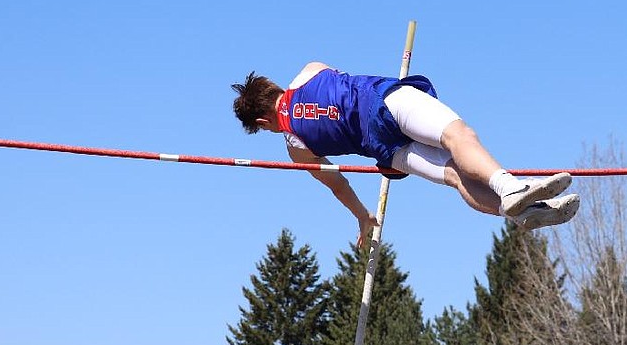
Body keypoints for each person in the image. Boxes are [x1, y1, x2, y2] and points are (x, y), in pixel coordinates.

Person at [232, 66, 581, 241]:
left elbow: (338, 183)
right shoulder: (310, 71)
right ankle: (510, 188)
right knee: (458, 136)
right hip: (385, 103)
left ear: (264, 120)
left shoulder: (296, 146)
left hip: (384, 147)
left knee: (455, 177)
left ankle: (521, 212)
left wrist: (363, 217)